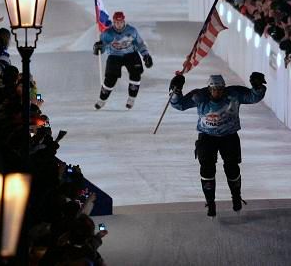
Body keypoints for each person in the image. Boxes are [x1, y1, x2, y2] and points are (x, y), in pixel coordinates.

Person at [169, 72, 267, 217]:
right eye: (214, 89)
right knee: (207, 168)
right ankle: (210, 202)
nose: (217, 92)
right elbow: (179, 105)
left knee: (232, 167)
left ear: (224, 88)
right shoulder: (199, 96)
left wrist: (258, 87)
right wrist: (175, 91)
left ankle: (236, 196)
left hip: (229, 136)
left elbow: (253, 97)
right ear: (209, 89)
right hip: (207, 137)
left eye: (220, 89)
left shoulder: (234, 94)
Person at [93, 11, 153, 110]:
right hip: (114, 55)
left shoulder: (132, 30)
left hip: (131, 54)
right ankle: (102, 100)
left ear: (124, 21)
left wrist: (146, 56)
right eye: (116, 22)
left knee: (136, 74)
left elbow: (140, 44)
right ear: (113, 22)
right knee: (110, 79)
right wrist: (97, 48)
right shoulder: (107, 33)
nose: (119, 25)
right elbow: (102, 48)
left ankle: (131, 98)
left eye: (120, 22)